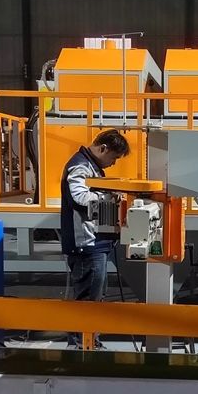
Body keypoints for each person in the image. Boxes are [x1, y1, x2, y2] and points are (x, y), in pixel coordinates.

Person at [61, 129, 130, 306]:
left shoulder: (91, 166)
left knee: (96, 298)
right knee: (89, 302)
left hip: (95, 243)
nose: (113, 163)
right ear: (103, 148)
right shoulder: (80, 166)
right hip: (87, 245)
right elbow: (78, 199)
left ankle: (90, 325)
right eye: (114, 158)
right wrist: (110, 197)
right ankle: (83, 326)